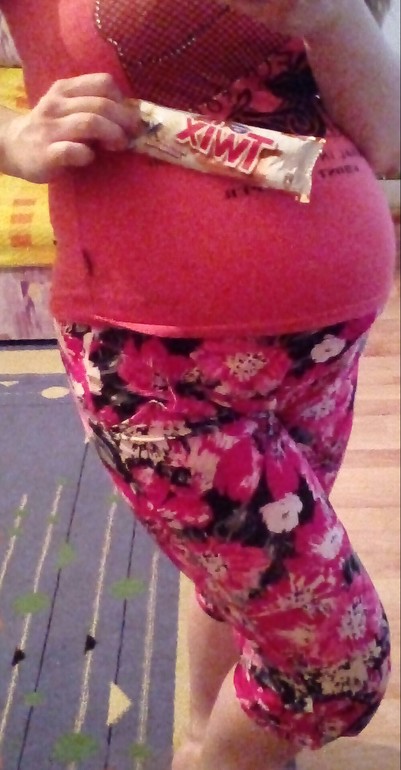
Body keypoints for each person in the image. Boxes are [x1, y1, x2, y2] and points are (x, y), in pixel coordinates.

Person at [0, 1, 399, 769]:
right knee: (332, 671)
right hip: (158, 364)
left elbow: (386, 136)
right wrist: (13, 137)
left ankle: (198, 735)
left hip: (325, 347)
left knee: (240, 586)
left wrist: (330, 18)